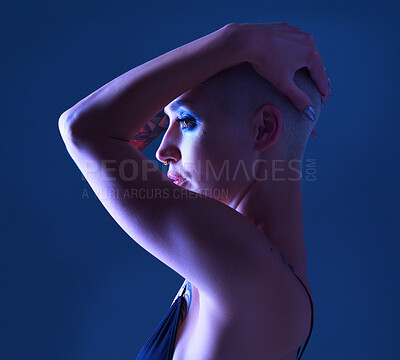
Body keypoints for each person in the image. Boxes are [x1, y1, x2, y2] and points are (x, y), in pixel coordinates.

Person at [59, 22, 331, 360]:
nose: (162, 149)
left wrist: (236, 40)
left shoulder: (249, 272)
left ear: (263, 128)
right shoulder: (231, 267)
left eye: (187, 123)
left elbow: (83, 128)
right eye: (165, 122)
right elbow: (117, 136)